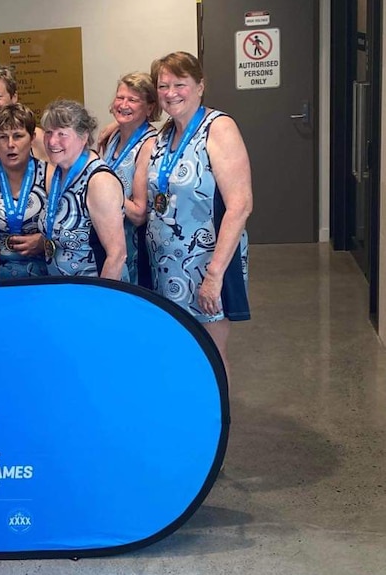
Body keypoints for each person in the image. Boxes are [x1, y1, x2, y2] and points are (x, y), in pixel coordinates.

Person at [144, 51, 252, 371]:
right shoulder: (163, 135)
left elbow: (241, 204)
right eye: (163, 86)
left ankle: (220, 421)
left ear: (200, 86)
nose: (171, 93)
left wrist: (214, 276)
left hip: (206, 264)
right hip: (166, 268)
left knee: (211, 356)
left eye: (180, 84)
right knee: (180, 352)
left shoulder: (218, 128)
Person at [38, 99, 128, 280]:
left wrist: (99, 303)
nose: (52, 141)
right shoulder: (58, 172)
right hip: (63, 290)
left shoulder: (99, 181)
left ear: (84, 136)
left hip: (93, 293)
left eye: (62, 134)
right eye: (48, 132)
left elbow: (117, 255)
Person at [0, 103, 49, 278]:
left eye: (18, 136)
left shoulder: (49, 175)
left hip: (42, 274)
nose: (10, 144)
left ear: (32, 138)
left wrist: (44, 241)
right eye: (3, 137)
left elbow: (70, 231)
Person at [100, 73, 160, 287]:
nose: (123, 104)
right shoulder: (111, 136)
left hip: (134, 248)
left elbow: (139, 214)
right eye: (120, 97)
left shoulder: (149, 145)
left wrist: (100, 193)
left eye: (133, 100)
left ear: (150, 108)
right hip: (108, 241)